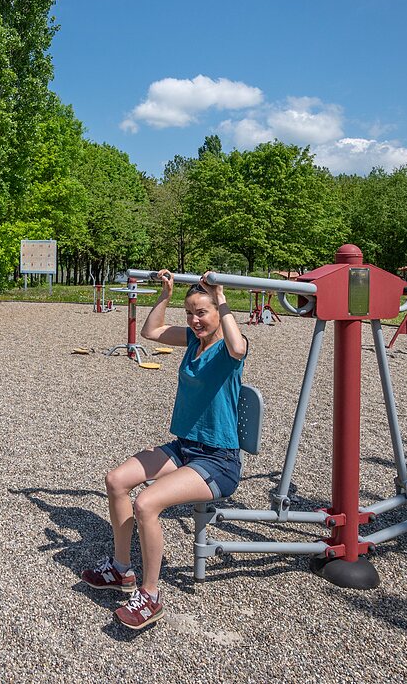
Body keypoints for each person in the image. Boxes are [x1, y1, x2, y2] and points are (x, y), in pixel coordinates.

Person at [79, 270, 248, 630]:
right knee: (117, 480)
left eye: (201, 312)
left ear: (218, 311)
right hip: (186, 447)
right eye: (190, 312)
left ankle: (150, 595)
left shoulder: (230, 346)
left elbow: (238, 347)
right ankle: (121, 570)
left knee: (147, 503)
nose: (194, 320)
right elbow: (150, 332)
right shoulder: (191, 339)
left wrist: (221, 296)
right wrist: (165, 295)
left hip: (218, 460)